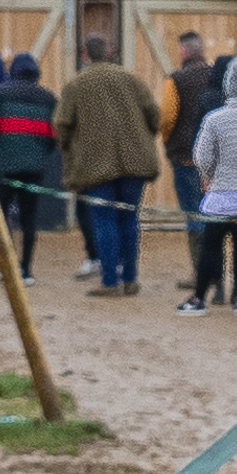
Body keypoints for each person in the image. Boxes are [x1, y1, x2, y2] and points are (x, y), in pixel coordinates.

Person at [57, 35, 167, 298]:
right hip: (135, 163)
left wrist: (70, 148)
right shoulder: (132, 79)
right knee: (129, 219)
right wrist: (142, 136)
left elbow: (62, 124)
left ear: (85, 54)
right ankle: (130, 278)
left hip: (96, 166)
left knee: (104, 221)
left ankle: (109, 281)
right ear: (109, 52)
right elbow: (154, 115)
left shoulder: (76, 85)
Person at [180, 57, 237, 314]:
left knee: (211, 245)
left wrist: (211, 175)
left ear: (226, 86)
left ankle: (199, 298)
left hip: (221, 194)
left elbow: (201, 157)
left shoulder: (214, 119)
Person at [0, 49, 59, 276]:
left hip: (6, 165)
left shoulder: (2, 95)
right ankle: (26, 269)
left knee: (2, 217)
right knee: (29, 218)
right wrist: (41, 154)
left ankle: (6, 268)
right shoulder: (49, 98)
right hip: (35, 167)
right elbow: (52, 136)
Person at [163, 31, 221, 231]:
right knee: (214, 215)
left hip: (186, 157)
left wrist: (168, 140)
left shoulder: (176, 80)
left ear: (183, 51)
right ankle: (214, 259)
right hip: (217, 160)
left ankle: (200, 261)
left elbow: (167, 118)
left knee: (194, 215)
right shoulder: (217, 77)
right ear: (202, 50)